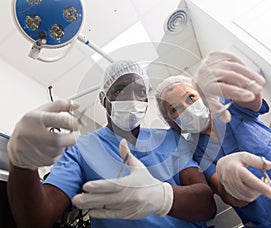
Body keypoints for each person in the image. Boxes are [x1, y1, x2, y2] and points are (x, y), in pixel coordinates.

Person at [7, 60, 216, 227]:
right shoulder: (81, 151)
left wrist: (161, 196)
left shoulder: (169, 139)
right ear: (103, 99)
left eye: (140, 91)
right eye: (120, 90)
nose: (132, 98)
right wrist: (23, 163)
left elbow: (207, 205)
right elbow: (37, 220)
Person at [155, 51, 271, 227]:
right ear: (172, 122)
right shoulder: (197, 154)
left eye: (190, 97)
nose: (187, 108)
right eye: (174, 109)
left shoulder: (228, 106)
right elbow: (229, 196)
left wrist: (237, 81)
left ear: (202, 95)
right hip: (270, 220)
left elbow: (251, 99)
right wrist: (232, 184)